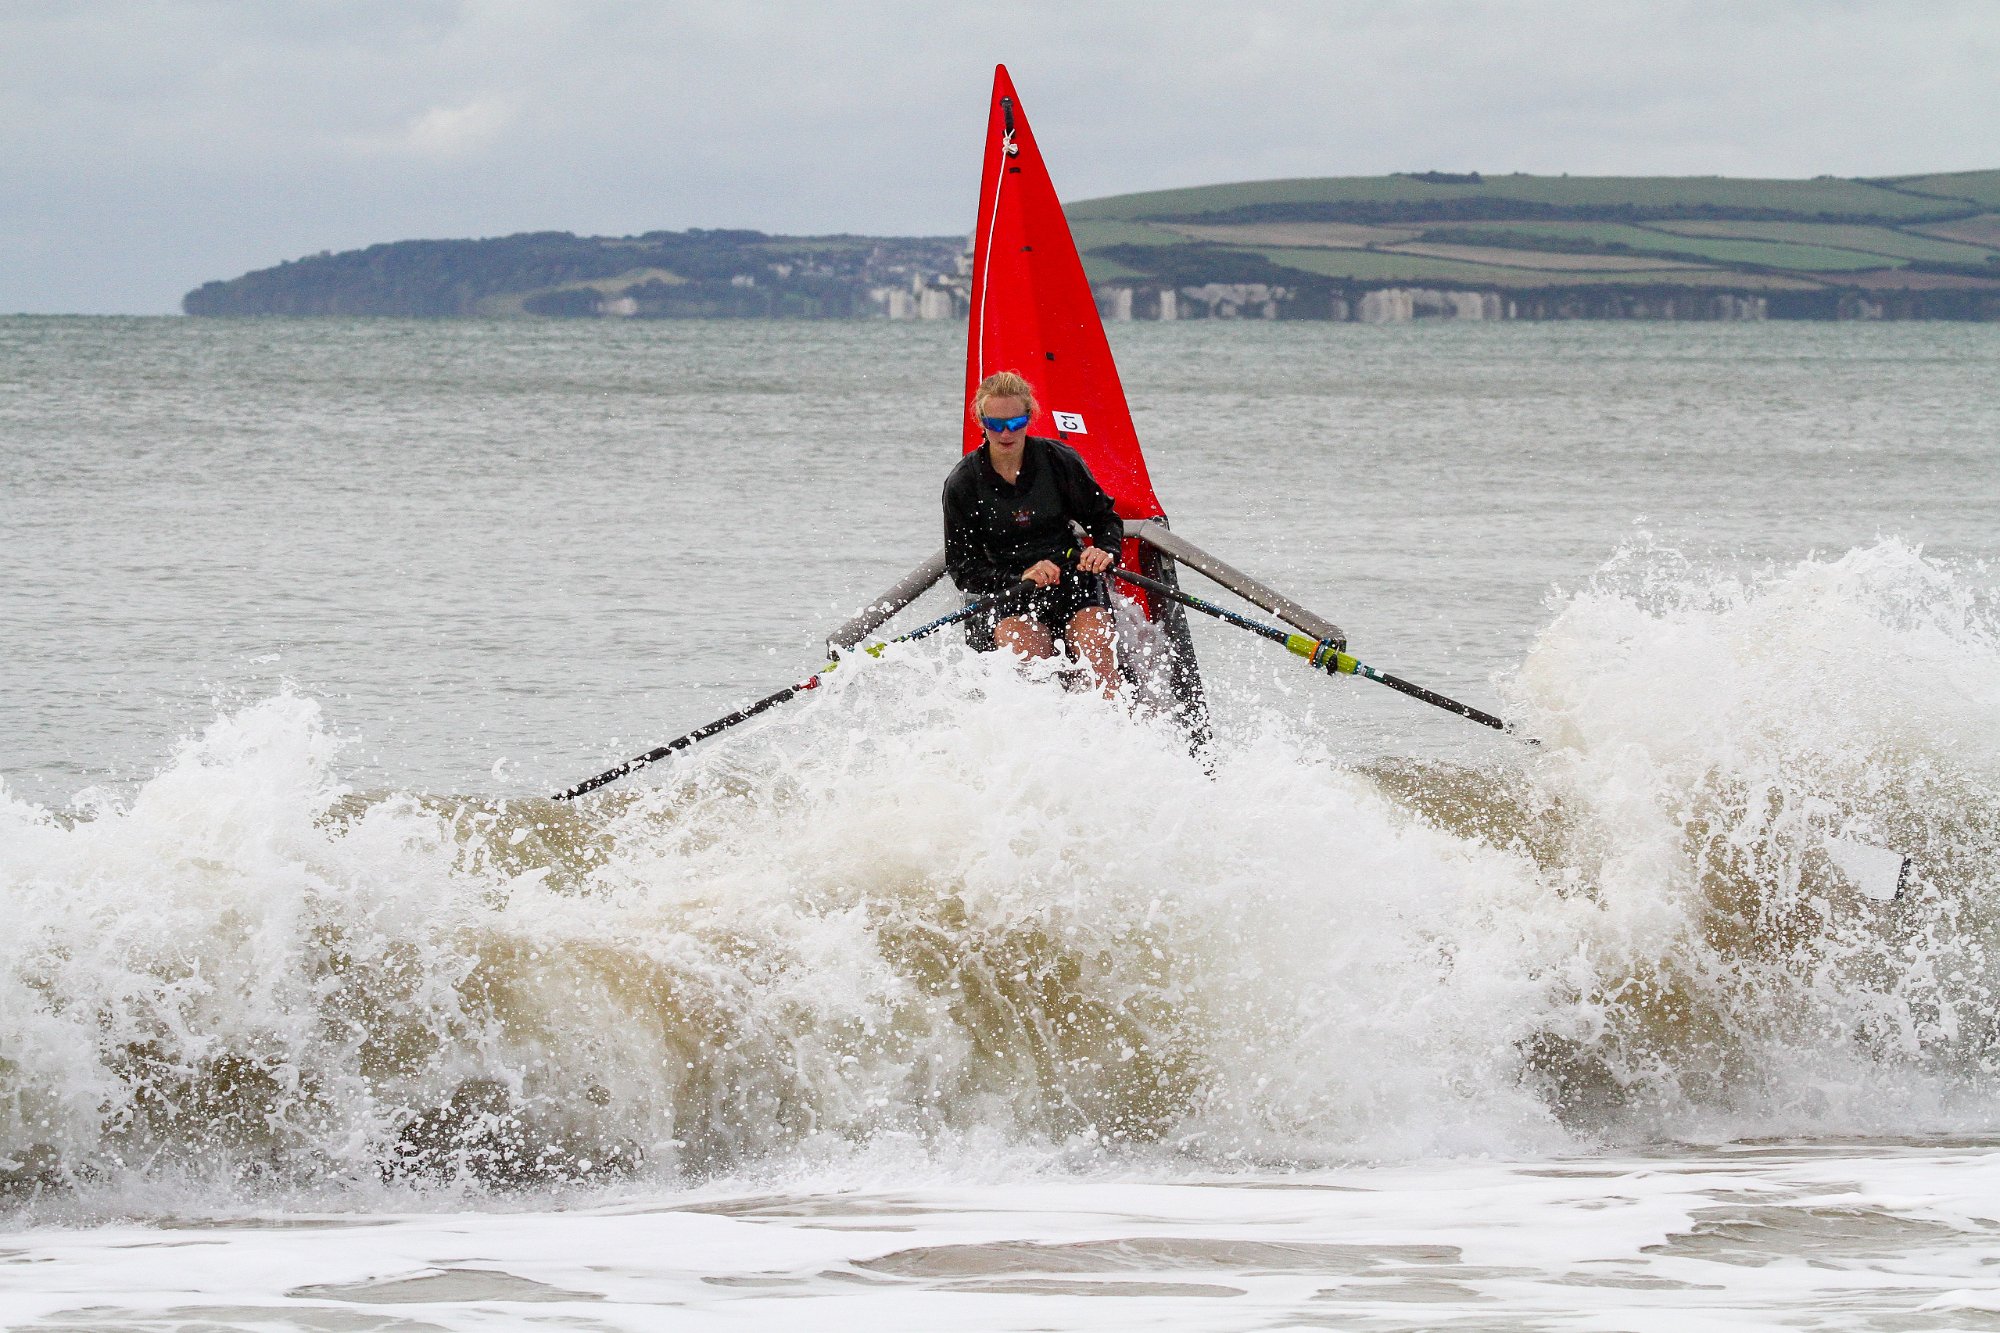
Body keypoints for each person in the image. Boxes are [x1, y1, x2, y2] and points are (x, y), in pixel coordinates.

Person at [943, 370, 1122, 696]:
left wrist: (1105, 551)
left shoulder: (1058, 460)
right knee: (1023, 650)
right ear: (980, 421)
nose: (1005, 433)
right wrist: (1020, 575)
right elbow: (962, 568)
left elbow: (1105, 519)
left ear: (1030, 417)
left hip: (1073, 578)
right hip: (1013, 591)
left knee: (1097, 645)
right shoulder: (963, 483)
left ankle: (1113, 724)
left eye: (1015, 423)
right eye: (995, 425)